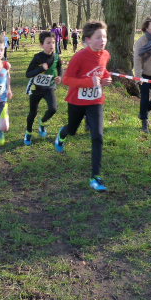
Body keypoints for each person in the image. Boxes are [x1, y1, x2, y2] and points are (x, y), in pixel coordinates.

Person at [54, 21, 112, 192]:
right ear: (87, 40)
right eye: (98, 37)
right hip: (77, 101)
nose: (103, 40)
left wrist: (106, 79)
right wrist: (89, 82)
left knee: (98, 136)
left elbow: (103, 71)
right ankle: (62, 135)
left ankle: (96, 177)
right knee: (72, 130)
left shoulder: (105, 54)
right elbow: (66, 80)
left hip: (95, 101)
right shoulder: (79, 57)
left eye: (104, 37)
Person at [24, 31, 62, 146]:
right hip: (36, 89)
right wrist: (41, 69)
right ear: (42, 45)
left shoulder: (56, 57)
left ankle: (42, 122)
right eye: (48, 42)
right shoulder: (38, 57)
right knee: (33, 112)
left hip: (49, 88)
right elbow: (28, 74)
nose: (51, 45)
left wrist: (60, 76)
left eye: (53, 42)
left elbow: (60, 67)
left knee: (53, 109)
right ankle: (28, 132)